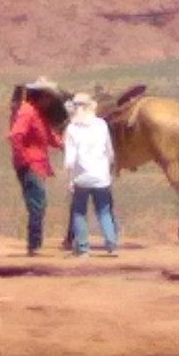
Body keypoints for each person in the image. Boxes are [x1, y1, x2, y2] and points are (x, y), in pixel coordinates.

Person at [8, 77, 64, 256]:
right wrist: (23, 160)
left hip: (38, 165)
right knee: (37, 204)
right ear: (42, 96)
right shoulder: (28, 111)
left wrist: (68, 146)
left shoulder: (38, 114)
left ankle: (35, 245)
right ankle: (34, 246)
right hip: (30, 166)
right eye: (49, 98)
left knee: (38, 204)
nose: (50, 102)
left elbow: (51, 137)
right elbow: (16, 135)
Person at [64, 92, 118, 257]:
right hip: (101, 177)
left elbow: (70, 159)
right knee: (104, 210)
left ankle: (82, 248)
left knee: (79, 212)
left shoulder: (72, 129)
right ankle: (110, 243)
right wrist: (109, 169)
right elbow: (109, 152)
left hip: (81, 178)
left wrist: (69, 179)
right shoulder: (101, 124)